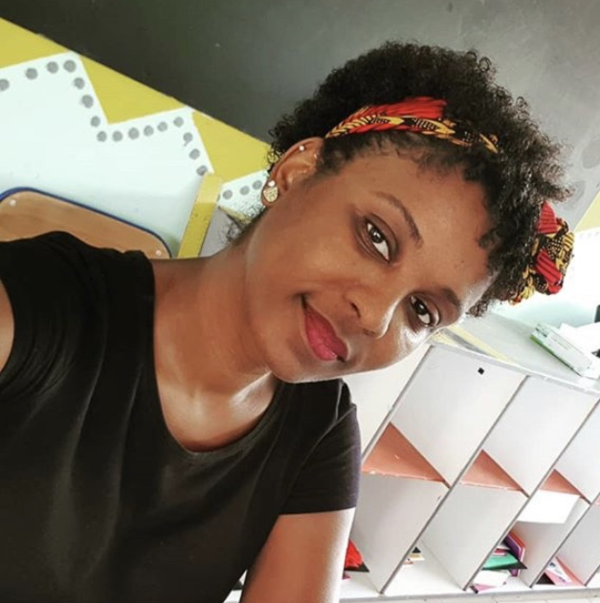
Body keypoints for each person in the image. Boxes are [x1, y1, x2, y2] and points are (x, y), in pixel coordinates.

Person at [0, 42, 573, 603]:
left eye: (421, 310)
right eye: (376, 237)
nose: (374, 318)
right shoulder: (41, 310)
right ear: (298, 172)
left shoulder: (318, 432)